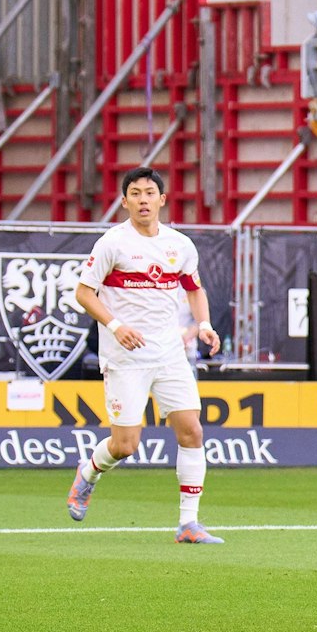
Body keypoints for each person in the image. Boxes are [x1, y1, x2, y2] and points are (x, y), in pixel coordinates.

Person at [64, 166, 225, 544]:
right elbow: (84, 293)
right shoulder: (112, 243)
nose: (142, 200)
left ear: (162, 199)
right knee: (125, 446)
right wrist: (117, 326)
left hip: (170, 353)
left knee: (192, 431)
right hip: (125, 356)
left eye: (149, 193)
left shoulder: (180, 245)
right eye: (135, 193)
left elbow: (194, 289)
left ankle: (188, 524)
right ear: (124, 201)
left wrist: (203, 325)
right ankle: (87, 474)